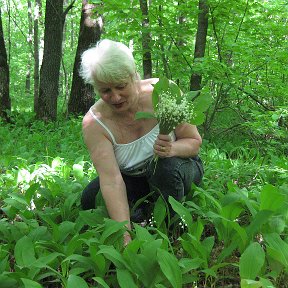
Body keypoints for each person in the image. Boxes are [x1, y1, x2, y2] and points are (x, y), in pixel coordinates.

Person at [80, 39, 204, 245]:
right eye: (105, 90)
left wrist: (172, 148)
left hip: (180, 167)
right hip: (135, 179)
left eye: (121, 86)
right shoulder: (94, 123)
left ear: (133, 75)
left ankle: (172, 231)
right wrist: (124, 234)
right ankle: (141, 214)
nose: (115, 96)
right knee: (91, 197)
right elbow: (111, 180)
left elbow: (194, 143)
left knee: (164, 168)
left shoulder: (164, 92)